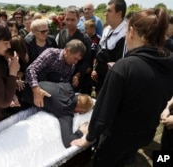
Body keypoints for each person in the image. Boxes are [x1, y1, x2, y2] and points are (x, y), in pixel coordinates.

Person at [71, 7, 173, 167]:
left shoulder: (124, 67)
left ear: (131, 32)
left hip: (117, 138)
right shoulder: (168, 62)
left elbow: (104, 111)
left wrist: (89, 137)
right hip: (145, 134)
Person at [21, 81, 93, 148]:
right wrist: (81, 131)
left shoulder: (67, 86)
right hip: (21, 96)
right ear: (81, 112)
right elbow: (68, 142)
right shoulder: (65, 112)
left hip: (23, 83)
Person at [25, 39, 86, 108]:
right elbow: (31, 70)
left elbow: (62, 86)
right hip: (32, 92)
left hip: (48, 97)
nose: (76, 62)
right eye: (75, 58)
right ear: (67, 51)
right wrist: (36, 89)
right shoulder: (51, 54)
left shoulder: (72, 66)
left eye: (78, 60)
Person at [91, 0, 127, 95]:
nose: (105, 14)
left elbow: (121, 63)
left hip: (113, 83)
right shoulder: (107, 29)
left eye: (109, 11)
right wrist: (95, 69)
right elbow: (100, 50)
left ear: (119, 13)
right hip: (101, 79)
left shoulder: (125, 33)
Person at [56, 5, 92, 93]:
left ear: (78, 19)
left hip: (76, 76)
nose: (69, 22)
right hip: (60, 75)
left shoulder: (84, 38)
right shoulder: (62, 33)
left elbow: (87, 61)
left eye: (72, 20)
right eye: (67, 19)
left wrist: (77, 75)